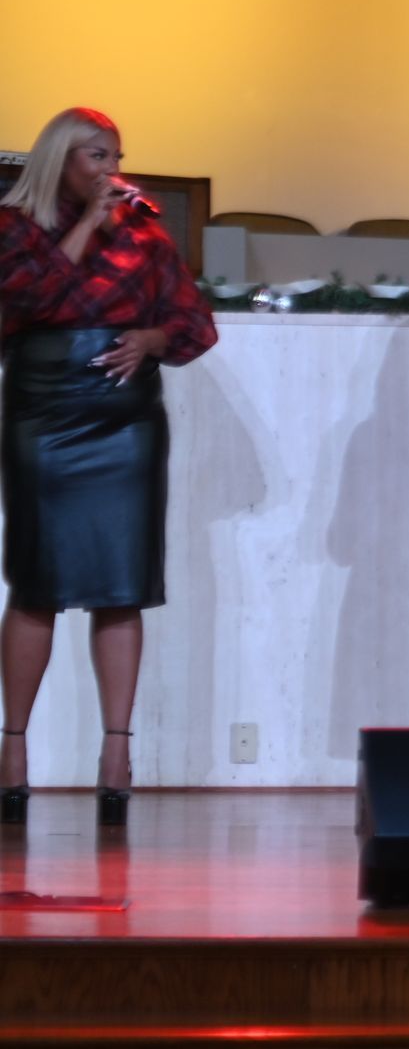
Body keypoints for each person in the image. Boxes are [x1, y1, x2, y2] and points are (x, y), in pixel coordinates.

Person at [0, 108, 217, 827]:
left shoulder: (146, 231)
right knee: (36, 583)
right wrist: (90, 223)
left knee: (121, 587)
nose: (110, 170)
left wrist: (151, 338)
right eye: (96, 155)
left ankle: (117, 756)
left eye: (116, 156)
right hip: (45, 411)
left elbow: (196, 325)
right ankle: (12, 750)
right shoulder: (16, 227)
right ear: (60, 159)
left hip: (125, 421)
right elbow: (29, 297)